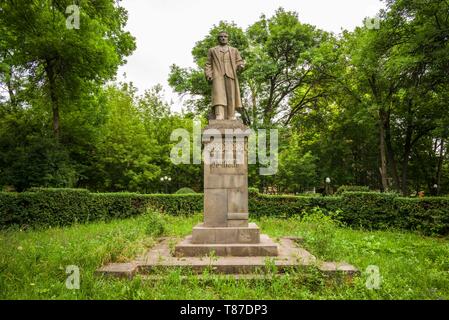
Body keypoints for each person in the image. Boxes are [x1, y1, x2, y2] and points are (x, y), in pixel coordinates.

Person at [205, 32, 245, 120]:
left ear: (228, 38)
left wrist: (240, 65)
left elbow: (239, 61)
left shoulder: (234, 50)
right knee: (218, 95)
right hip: (217, 75)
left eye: (225, 37)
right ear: (218, 39)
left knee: (231, 95)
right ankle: (219, 115)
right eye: (221, 37)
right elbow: (208, 64)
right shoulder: (212, 50)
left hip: (231, 74)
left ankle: (231, 115)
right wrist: (208, 74)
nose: (223, 38)